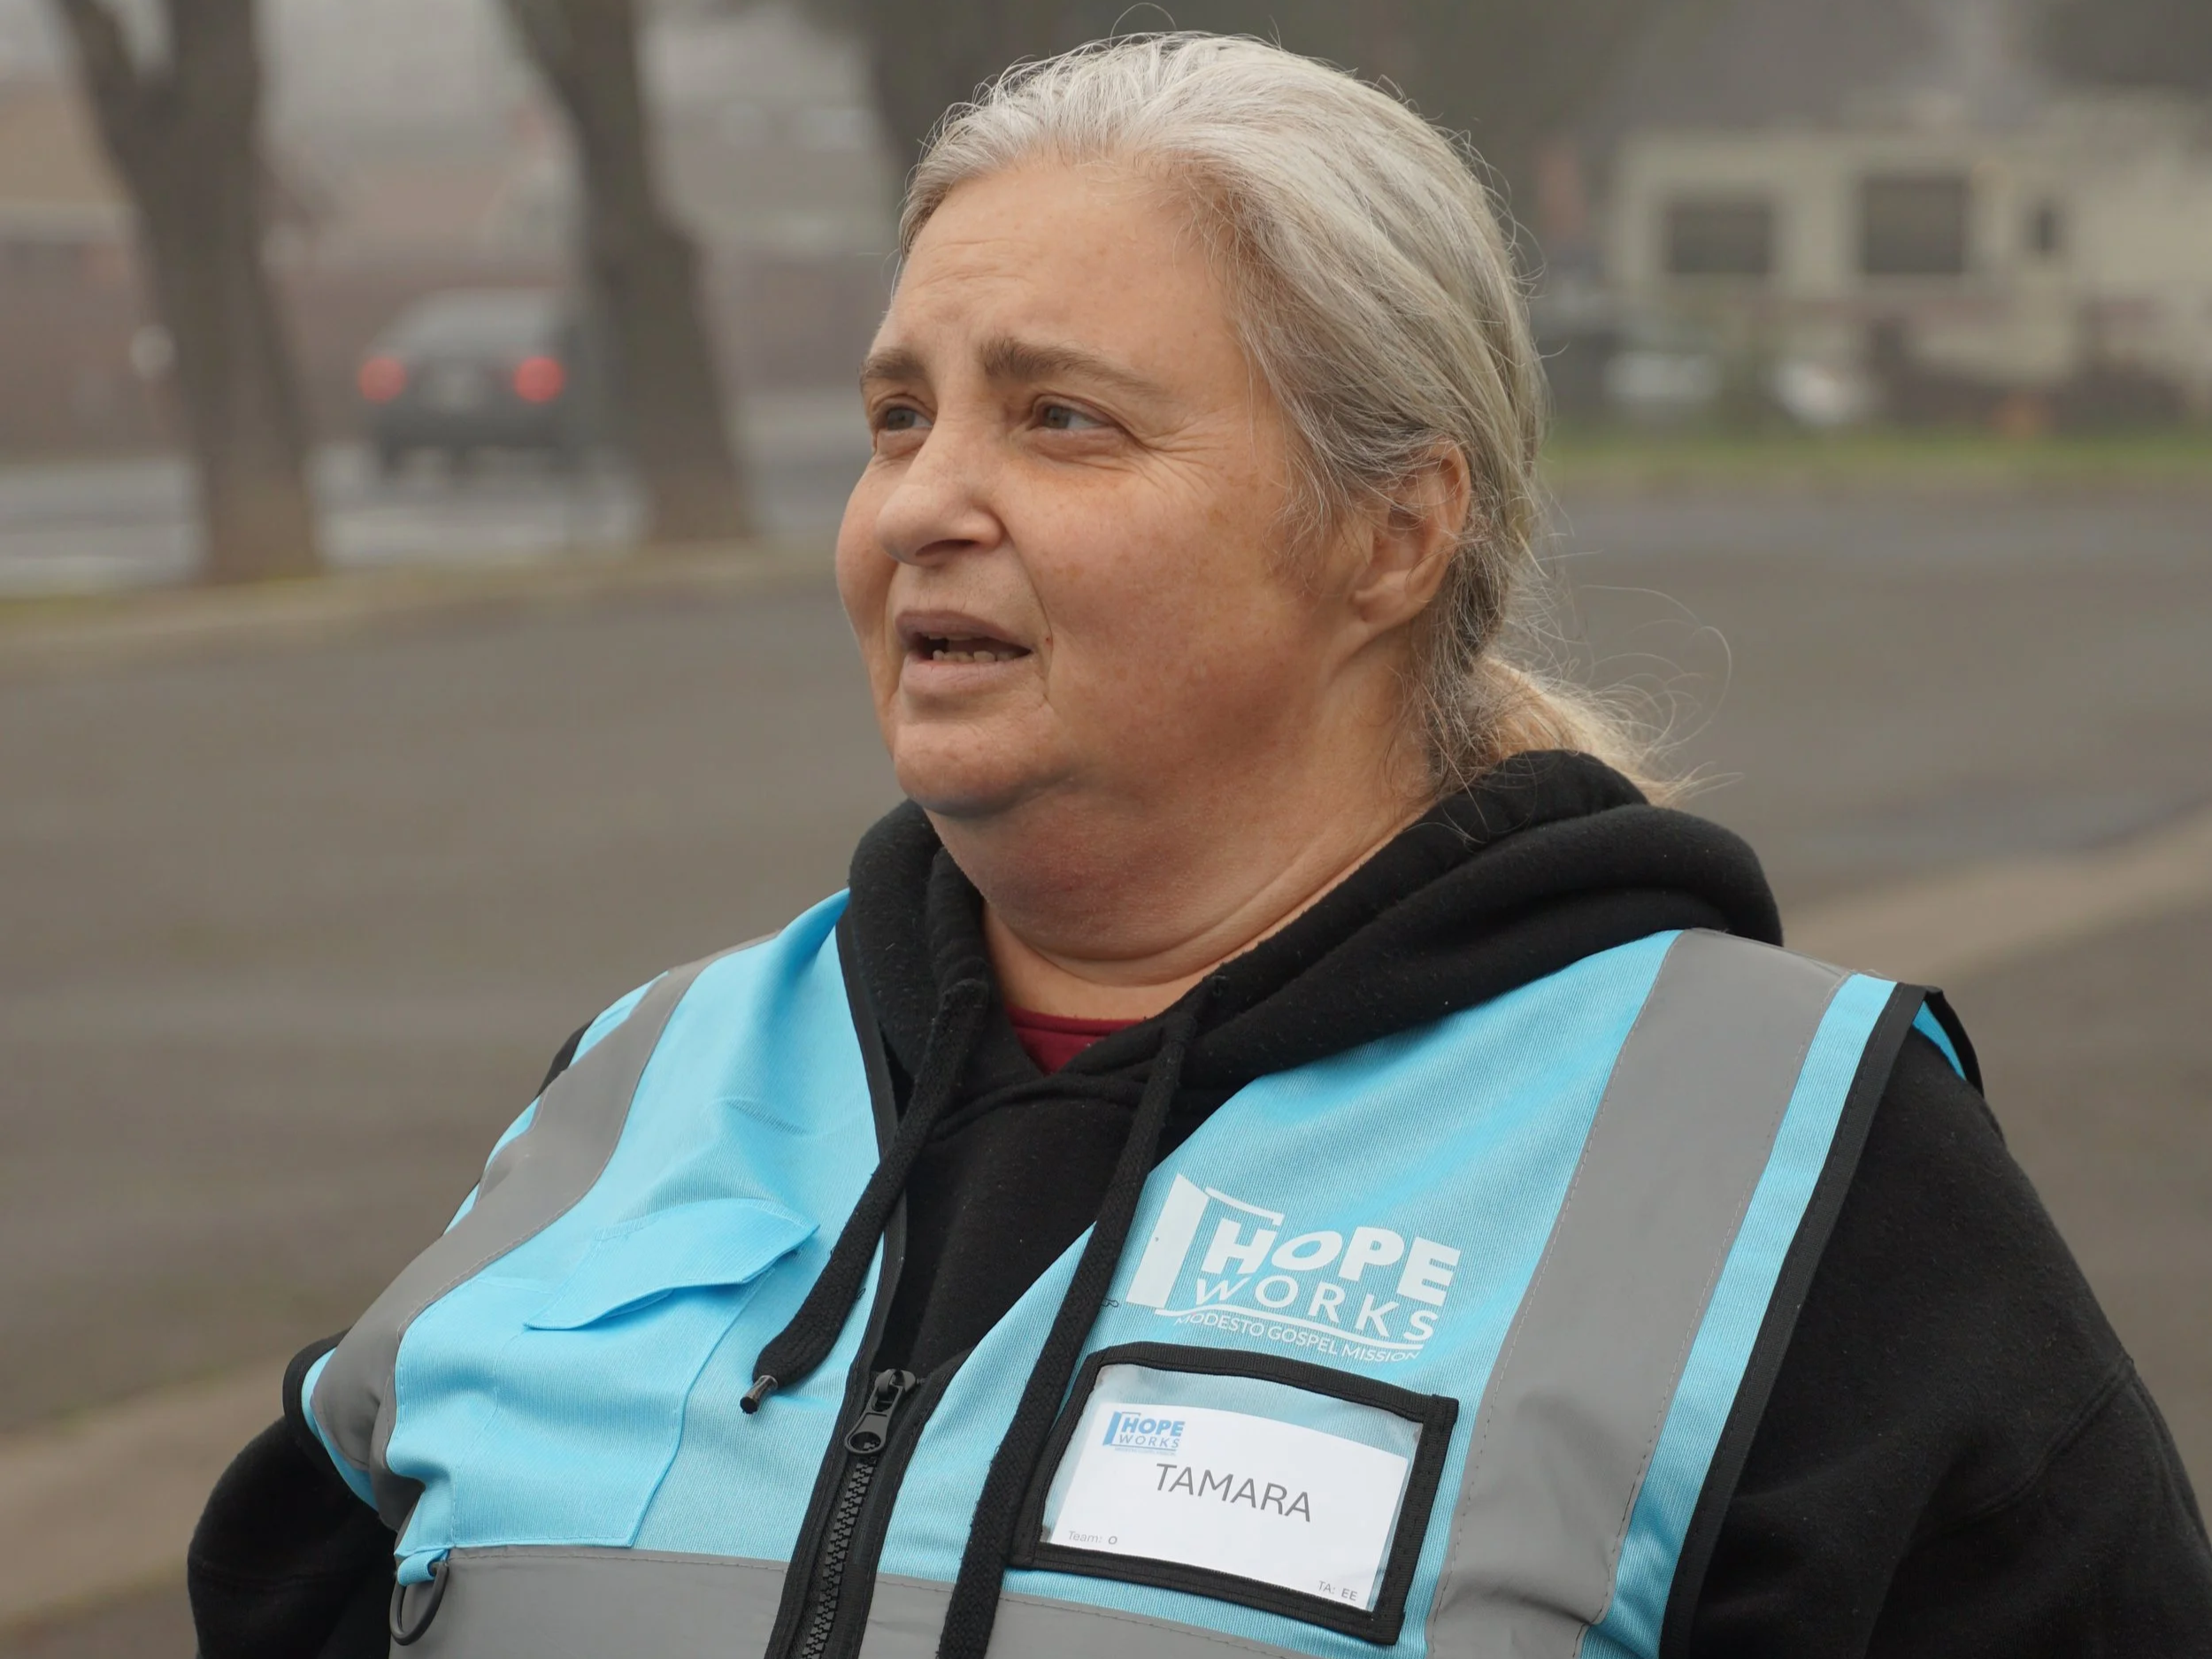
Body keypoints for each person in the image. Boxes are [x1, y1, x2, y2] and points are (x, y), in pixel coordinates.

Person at [187, 34, 2212, 1659]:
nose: (920, 504)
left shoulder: (1781, 1165)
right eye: (897, 417)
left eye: (1057, 420)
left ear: (1389, 533)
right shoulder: (644, 1083)